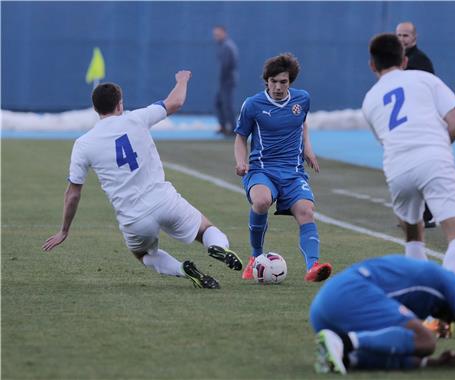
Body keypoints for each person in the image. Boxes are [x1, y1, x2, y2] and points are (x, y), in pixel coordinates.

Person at [42, 71, 243, 289]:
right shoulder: (137, 118)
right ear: (120, 104)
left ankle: (183, 270)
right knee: (204, 230)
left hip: (134, 217)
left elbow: (73, 194)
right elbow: (175, 102)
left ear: (95, 108)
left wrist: (64, 230)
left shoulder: (83, 144)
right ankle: (218, 247)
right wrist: (182, 80)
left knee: (142, 254)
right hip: (164, 201)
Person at [362, 33, 455, 280]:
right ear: (404, 60)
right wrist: (437, 147)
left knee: (413, 236)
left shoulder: (369, 100)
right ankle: (448, 301)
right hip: (433, 157)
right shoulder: (425, 78)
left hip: (397, 166)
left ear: (372, 65)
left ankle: (421, 295)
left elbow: (386, 140)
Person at [234, 53, 332, 282]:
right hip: (262, 169)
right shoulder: (253, 104)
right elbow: (240, 136)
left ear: (291, 82)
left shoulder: (302, 99)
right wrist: (241, 161)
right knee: (261, 201)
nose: (278, 87)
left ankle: (313, 267)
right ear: (266, 81)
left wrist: (307, 147)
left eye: (283, 82)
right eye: (274, 81)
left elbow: (302, 122)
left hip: (293, 171)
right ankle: (255, 258)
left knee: (306, 212)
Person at [311, 255, 455, 374]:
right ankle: (343, 342)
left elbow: (399, 344)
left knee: (408, 340)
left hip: (323, 309)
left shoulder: (423, 298)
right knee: (426, 340)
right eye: (453, 319)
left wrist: (432, 363)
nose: (445, 323)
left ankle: (345, 355)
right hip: (350, 293)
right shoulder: (452, 282)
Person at [396, 21, 436, 228]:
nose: (402, 39)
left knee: (422, 170)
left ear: (414, 38)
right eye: (399, 35)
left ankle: (427, 214)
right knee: (404, 172)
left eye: (405, 35)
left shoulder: (421, 61)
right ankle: (410, 215)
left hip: (418, 124)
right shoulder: (394, 62)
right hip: (401, 126)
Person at [212, 25, 239, 136]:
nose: (216, 37)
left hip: (227, 81)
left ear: (224, 33)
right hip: (225, 81)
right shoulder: (225, 46)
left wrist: (224, 79)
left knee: (227, 105)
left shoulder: (227, 46)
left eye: (217, 34)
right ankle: (223, 126)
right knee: (219, 103)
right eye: (215, 35)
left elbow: (227, 66)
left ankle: (232, 129)